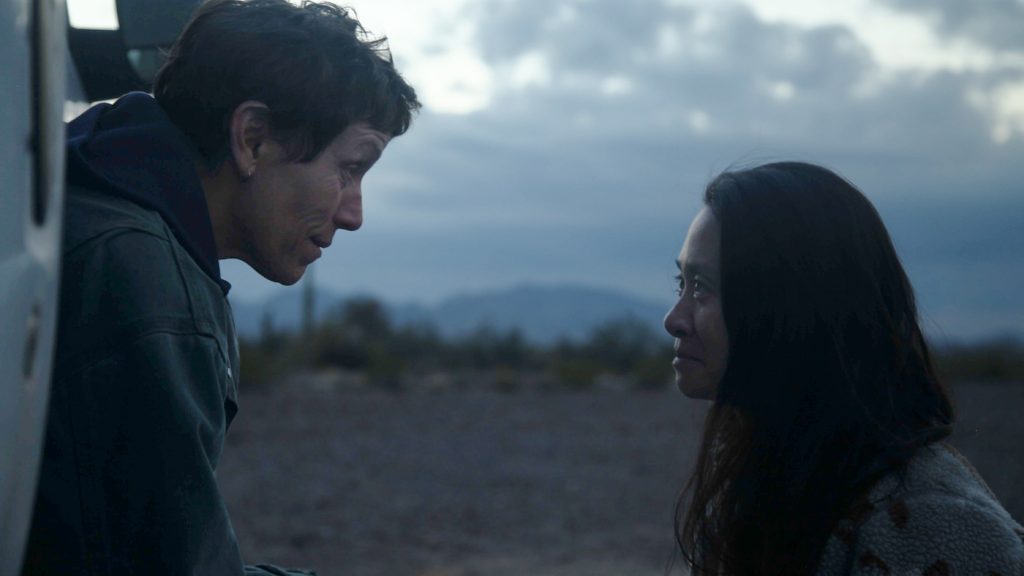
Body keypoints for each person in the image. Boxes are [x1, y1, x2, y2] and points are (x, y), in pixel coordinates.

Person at [23, 0, 419, 574]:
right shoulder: (144, 287)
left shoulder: (79, 203)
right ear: (253, 138)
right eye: (352, 167)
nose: (354, 213)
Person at [663, 162, 1024, 576]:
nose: (674, 318)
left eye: (703, 287)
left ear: (790, 308)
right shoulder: (760, 474)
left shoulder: (934, 525)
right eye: (682, 284)